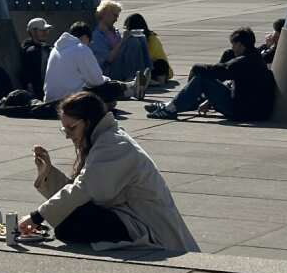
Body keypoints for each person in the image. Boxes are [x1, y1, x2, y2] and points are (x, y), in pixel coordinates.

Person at [18, 91, 197, 250]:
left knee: (69, 225)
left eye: (71, 128)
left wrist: (36, 217)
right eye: (64, 128)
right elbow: (84, 190)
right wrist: (47, 173)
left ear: (89, 122)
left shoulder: (114, 145)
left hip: (148, 225)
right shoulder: (104, 139)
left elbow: (83, 189)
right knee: (68, 223)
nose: (67, 134)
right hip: (127, 215)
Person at [147, 27, 276, 122]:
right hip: (252, 109)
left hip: (242, 111)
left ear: (240, 44)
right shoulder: (255, 58)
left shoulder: (243, 62)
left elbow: (221, 71)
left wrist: (197, 67)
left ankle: (170, 108)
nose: (233, 49)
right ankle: (174, 104)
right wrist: (210, 101)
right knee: (204, 79)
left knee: (201, 78)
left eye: (234, 45)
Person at [44, 20, 130, 105]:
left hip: (50, 99)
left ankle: (130, 87)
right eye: (90, 42)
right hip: (70, 100)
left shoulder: (56, 49)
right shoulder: (81, 49)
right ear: (85, 37)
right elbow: (97, 81)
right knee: (112, 88)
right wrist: (107, 79)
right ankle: (130, 89)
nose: (89, 45)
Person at [91, 0, 151, 92]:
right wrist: (123, 40)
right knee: (133, 43)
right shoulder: (97, 35)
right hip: (108, 70)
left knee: (141, 38)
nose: (116, 19)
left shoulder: (113, 31)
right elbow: (109, 58)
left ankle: (145, 74)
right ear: (105, 14)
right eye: (115, 15)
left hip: (119, 64)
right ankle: (132, 79)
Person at [124, 12, 172, 84]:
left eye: (128, 27)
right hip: (144, 68)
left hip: (156, 67)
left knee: (160, 63)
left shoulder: (152, 39)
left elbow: (148, 58)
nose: (126, 30)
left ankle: (159, 80)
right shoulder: (131, 39)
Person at [21, 18, 52, 100]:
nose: (45, 33)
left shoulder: (46, 48)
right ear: (33, 32)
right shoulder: (32, 51)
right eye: (42, 30)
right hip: (38, 94)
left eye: (47, 30)